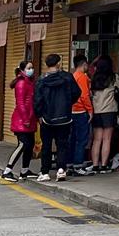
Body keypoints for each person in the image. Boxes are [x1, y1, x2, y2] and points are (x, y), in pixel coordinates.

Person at [35, 54, 76, 182]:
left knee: (46, 145)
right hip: (65, 117)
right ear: (58, 63)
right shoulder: (68, 77)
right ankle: (61, 170)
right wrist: (67, 105)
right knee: (62, 144)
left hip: (47, 118)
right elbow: (76, 93)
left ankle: (45, 172)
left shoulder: (41, 80)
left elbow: (37, 100)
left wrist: (39, 115)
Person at [1, 60, 37, 183]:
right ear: (22, 70)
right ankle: (7, 171)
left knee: (29, 145)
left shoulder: (29, 82)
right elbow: (20, 103)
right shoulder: (21, 84)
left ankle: (24, 170)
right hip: (22, 120)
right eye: (29, 68)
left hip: (29, 119)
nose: (31, 70)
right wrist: (26, 119)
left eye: (32, 67)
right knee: (22, 145)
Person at [87, 55, 119, 174]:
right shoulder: (113, 78)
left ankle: (95, 165)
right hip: (109, 111)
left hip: (96, 111)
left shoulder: (94, 78)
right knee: (107, 139)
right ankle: (104, 165)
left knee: (96, 140)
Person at [68, 51, 93, 175]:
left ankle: (70, 164)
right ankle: (78, 165)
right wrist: (90, 110)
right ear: (84, 64)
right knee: (81, 139)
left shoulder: (73, 76)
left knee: (72, 139)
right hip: (80, 111)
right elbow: (84, 95)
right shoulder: (82, 77)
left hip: (71, 111)